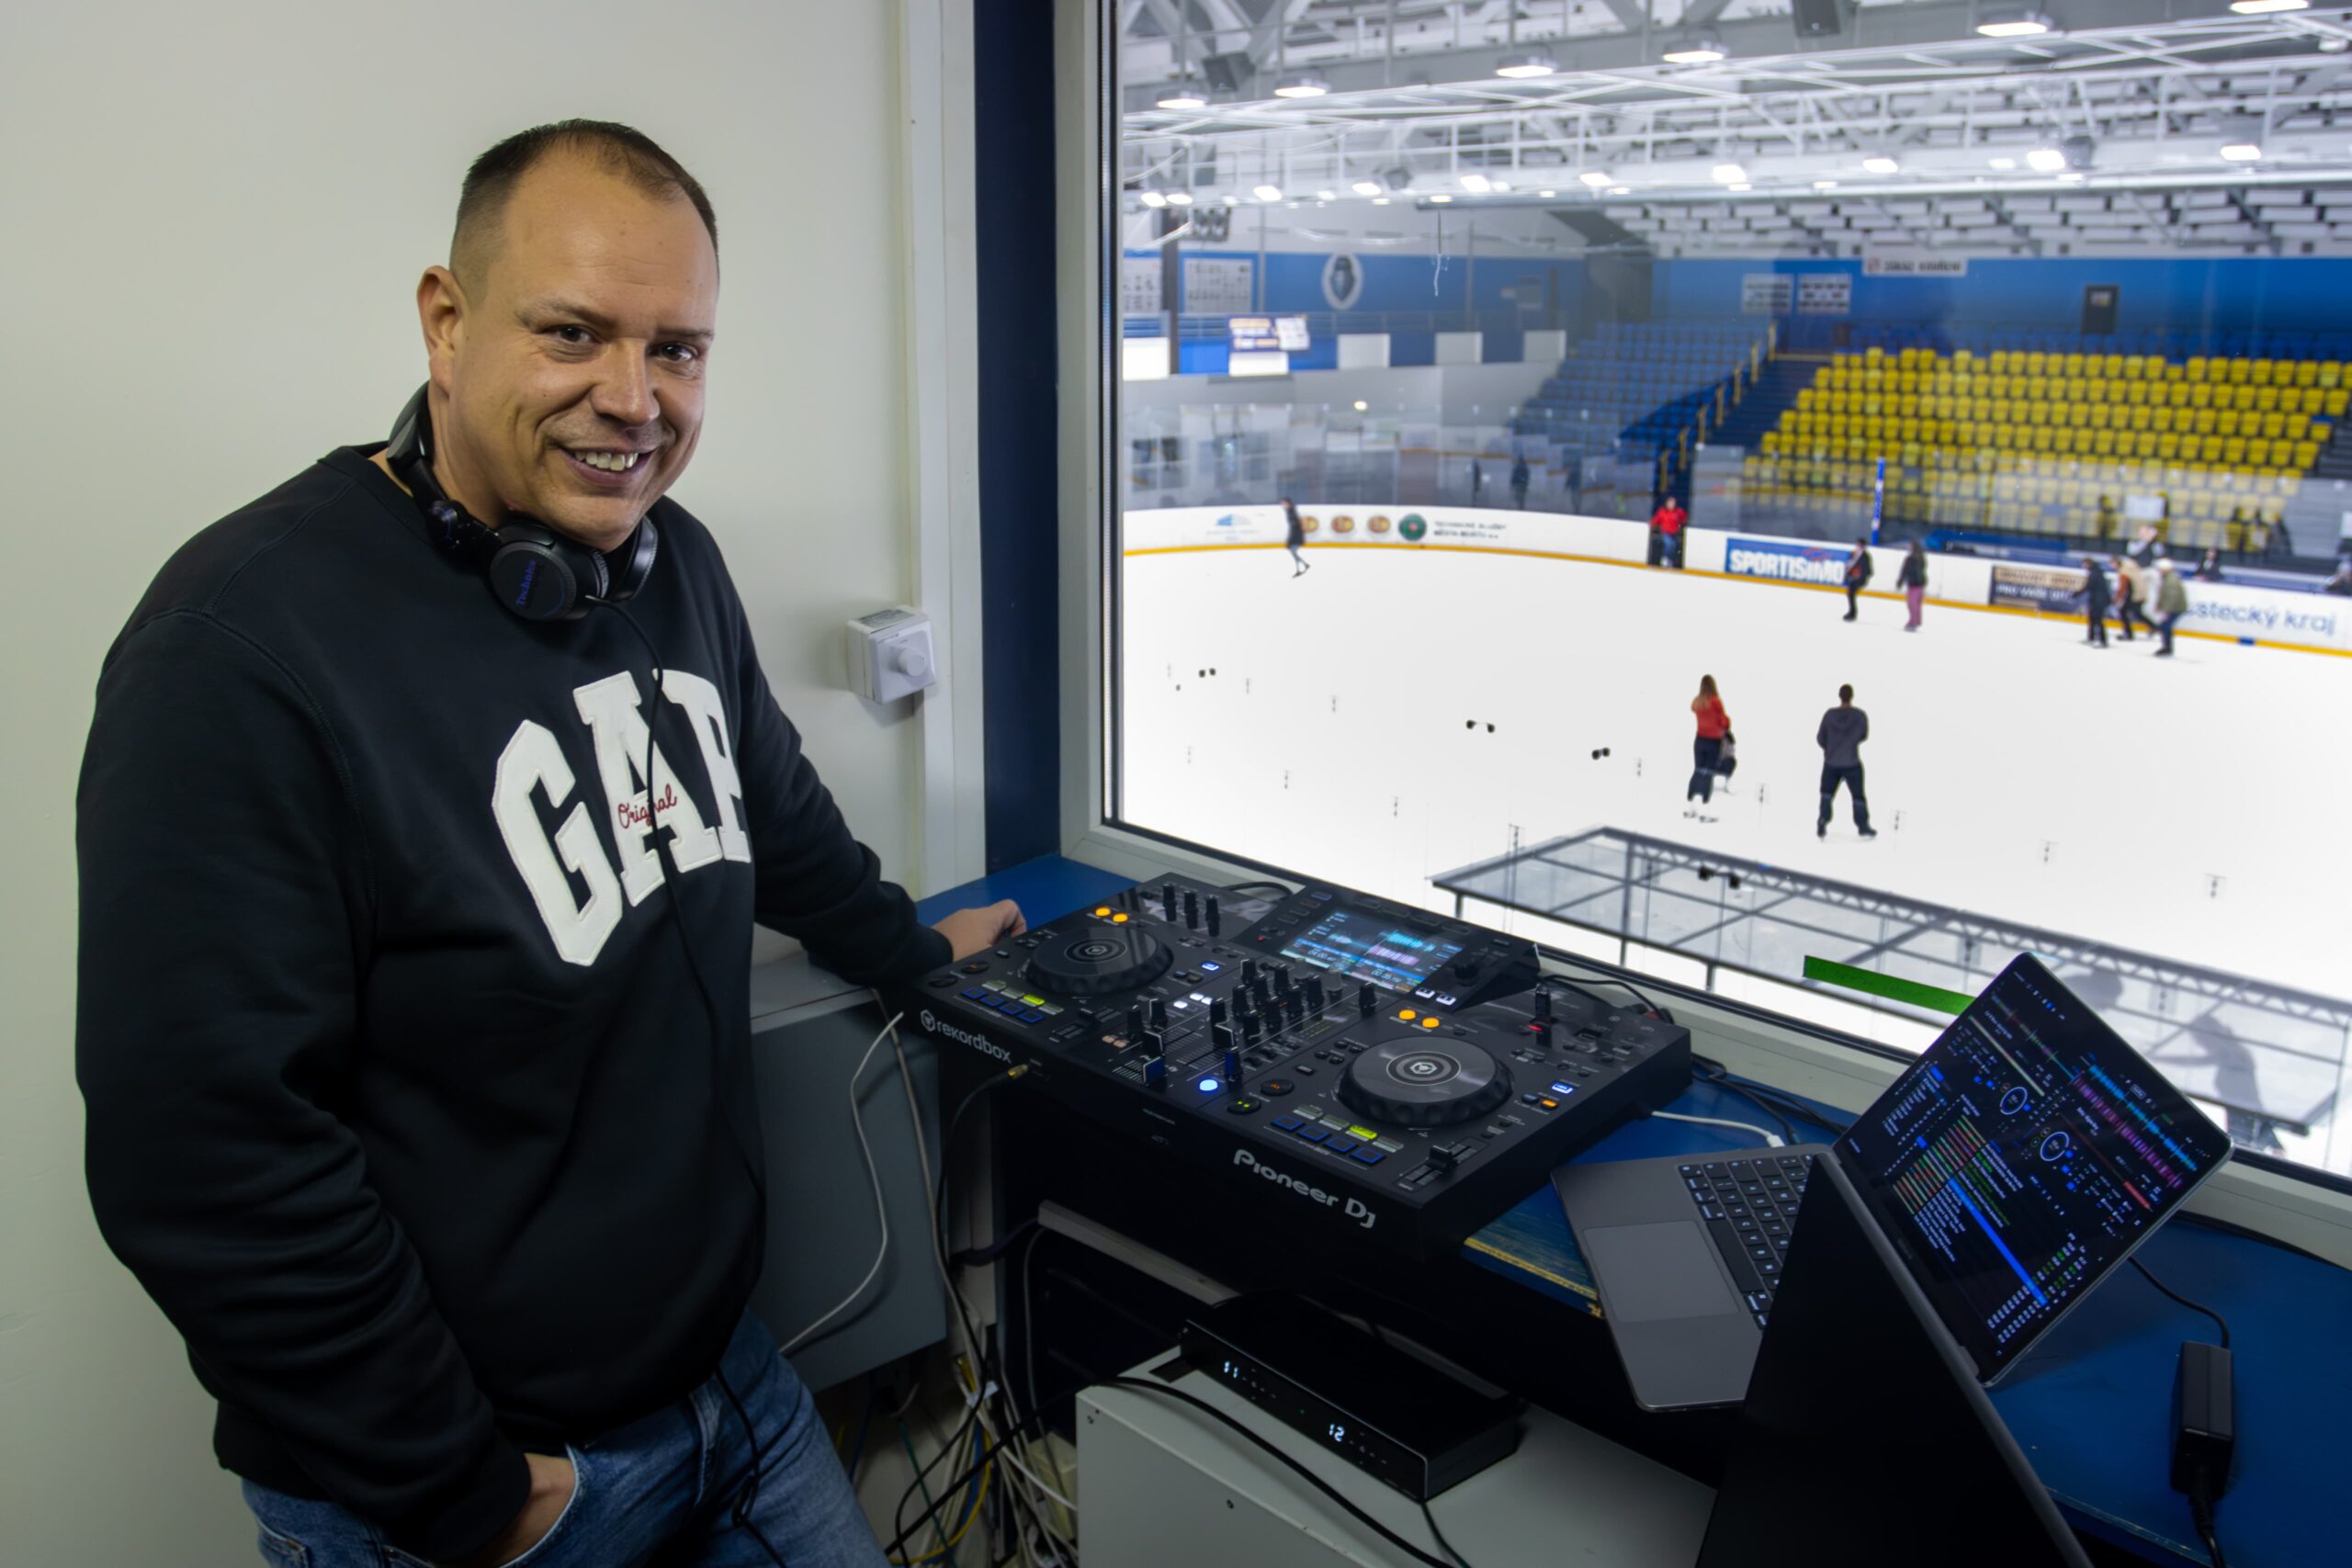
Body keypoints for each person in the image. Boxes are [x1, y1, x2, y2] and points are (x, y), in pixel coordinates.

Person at [75, 121, 1025, 1568]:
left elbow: (769, 806)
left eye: (681, 350)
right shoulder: (242, 648)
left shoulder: (669, 559)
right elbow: (202, 1152)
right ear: (446, 322)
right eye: (573, 332)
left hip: (733, 1386)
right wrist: (472, 1492)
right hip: (478, 1489)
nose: (634, 399)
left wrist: (907, 949)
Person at [1816, 683, 1876, 839]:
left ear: (1839, 695)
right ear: (1852, 696)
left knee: (1826, 794)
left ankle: (1823, 821)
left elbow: (1820, 738)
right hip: (1851, 761)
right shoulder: (1859, 715)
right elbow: (1863, 735)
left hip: (1831, 761)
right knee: (1858, 795)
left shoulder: (1829, 715)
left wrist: (1830, 748)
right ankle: (1863, 826)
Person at [1686, 674, 1730, 819]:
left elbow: (1693, 708)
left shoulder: (1698, 702)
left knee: (1697, 771)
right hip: (1713, 741)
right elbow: (1723, 721)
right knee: (1708, 773)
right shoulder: (1715, 701)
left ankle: (1690, 805)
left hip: (1699, 740)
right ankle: (1705, 809)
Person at [2154, 555, 2189, 656]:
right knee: (2165, 627)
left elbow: (2171, 598)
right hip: (2174, 608)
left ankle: (2167, 648)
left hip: (2176, 609)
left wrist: (2166, 611)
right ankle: (2167, 647)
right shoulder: (2168, 578)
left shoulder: (2171, 581)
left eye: (2159, 569)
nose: (2158, 572)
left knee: (2165, 626)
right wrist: (2159, 606)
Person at [2115, 553, 2154, 641]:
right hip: (2139, 593)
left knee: (2124, 611)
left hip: (2135, 594)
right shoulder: (2132, 568)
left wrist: (2117, 599)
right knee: (2136, 612)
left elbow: (2122, 587)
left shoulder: (2124, 571)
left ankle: (2128, 634)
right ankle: (2153, 627)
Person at [2079, 555, 2110, 648]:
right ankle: (2091, 637)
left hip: (2099, 600)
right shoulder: (2096, 572)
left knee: (2098, 620)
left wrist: (2075, 594)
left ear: (2088, 564)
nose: (2083, 566)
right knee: (2092, 619)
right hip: (2097, 599)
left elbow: (2088, 586)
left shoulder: (2095, 573)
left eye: (2084, 564)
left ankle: (2102, 641)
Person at [1651, 493, 1689, 569]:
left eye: (1673, 503)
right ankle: (1665, 559)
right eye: (1670, 503)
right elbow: (1656, 520)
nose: (1672, 504)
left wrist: (1681, 525)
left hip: (1674, 533)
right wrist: (1652, 524)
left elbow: (1684, 518)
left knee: (1673, 546)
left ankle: (1670, 560)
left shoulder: (1678, 511)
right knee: (1669, 544)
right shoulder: (1662, 512)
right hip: (1665, 532)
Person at [1897, 539, 1928, 631]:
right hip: (1920, 583)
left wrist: (1900, 581)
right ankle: (1916, 621)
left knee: (1912, 604)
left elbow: (1905, 571)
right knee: (1916, 604)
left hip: (1914, 583)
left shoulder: (1911, 558)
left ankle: (1913, 622)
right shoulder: (1921, 557)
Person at [1841, 536, 1873, 621]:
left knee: (1851, 594)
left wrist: (1861, 577)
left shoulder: (1865, 556)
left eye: (1859, 544)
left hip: (1859, 579)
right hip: (1853, 578)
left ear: (1862, 545)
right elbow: (1849, 565)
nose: (1857, 545)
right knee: (1850, 595)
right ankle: (1852, 612)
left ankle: (1853, 613)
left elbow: (1868, 570)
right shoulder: (1854, 553)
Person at [1281, 493, 1310, 576]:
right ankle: (1303, 565)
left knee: (1293, 552)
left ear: (1288, 503)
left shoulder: (1291, 512)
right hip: (1295, 535)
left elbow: (1295, 525)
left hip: (1296, 535)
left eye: (1284, 503)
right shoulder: (1290, 511)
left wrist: (1290, 539)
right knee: (1293, 552)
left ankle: (1302, 567)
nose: (1283, 505)